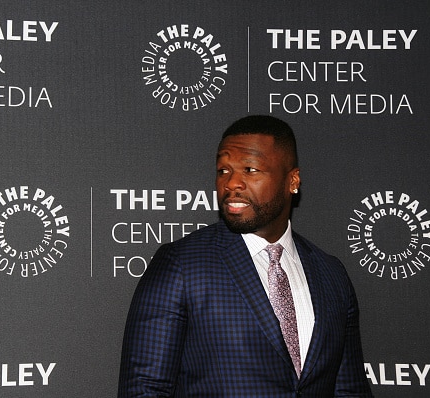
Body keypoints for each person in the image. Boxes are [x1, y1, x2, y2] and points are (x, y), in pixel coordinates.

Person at [118, 115, 373, 397]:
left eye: (250, 169)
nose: (232, 183)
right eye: (223, 170)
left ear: (292, 181)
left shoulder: (330, 274)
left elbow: (350, 390)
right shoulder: (181, 264)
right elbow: (145, 389)